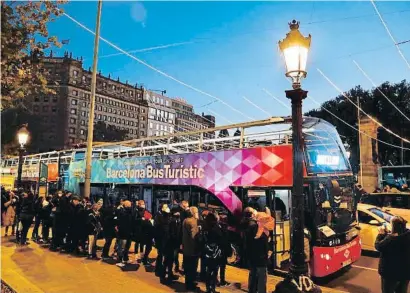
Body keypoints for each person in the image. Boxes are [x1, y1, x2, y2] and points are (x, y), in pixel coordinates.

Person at [375, 216, 410, 293]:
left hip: (390, 274)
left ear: (394, 227)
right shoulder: (407, 235)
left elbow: (378, 246)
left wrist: (380, 235)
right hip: (405, 273)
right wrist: (388, 234)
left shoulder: (390, 240)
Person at [242, 207, 269, 293]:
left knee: (253, 275)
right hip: (260, 258)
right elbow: (263, 244)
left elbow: (247, 243)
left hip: (252, 257)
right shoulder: (259, 229)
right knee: (261, 279)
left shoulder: (249, 226)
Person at [202, 212, 224, 293]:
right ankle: (212, 289)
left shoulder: (205, 226)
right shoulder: (216, 227)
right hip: (215, 252)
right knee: (214, 271)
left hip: (207, 251)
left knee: (209, 270)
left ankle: (208, 288)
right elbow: (221, 238)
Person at [182, 206, 200, 291]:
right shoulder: (193, 222)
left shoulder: (185, 220)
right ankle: (191, 285)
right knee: (192, 268)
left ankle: (187, 283)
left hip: (186, 248)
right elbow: (194, 237)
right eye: (196, 212)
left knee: (188, 268)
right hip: (192, 249)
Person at [115, 200, 133, 267]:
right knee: (121, 247)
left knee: (127, 247)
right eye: (129, 205)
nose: (130, 206)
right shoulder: (121, 212)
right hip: (123, 233)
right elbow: (120, 222)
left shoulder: (130, 212)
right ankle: (119, 260)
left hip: (129, 232)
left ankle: (125, 258)